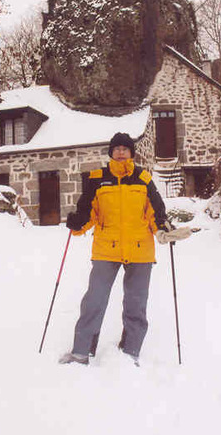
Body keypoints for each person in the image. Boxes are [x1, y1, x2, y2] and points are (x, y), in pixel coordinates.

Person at [59, 131, 184, 367]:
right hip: (106, 248)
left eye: (124, 148)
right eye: (116, 148)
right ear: (111, 152)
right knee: (94, 300)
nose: (120, 152)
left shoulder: (143, 178)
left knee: (136, 303)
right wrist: (77, 223)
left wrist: (164, 229)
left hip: (140, 250)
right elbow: (88, 211)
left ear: (131, 153)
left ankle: (131, 352)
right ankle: (81, 352)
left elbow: (156, 210)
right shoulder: (97, 178)